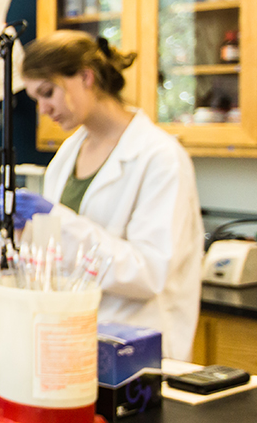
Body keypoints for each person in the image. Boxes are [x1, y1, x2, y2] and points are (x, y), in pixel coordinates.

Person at [16, 31, 203, 360]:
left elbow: (149, 273)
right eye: (36, 99)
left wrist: (58, 222)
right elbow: (59, 257)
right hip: (73, 342)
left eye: (48, 92)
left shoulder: (160, 157)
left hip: (137, 351)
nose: (43, 109)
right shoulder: (66, 155)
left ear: (86, 77)